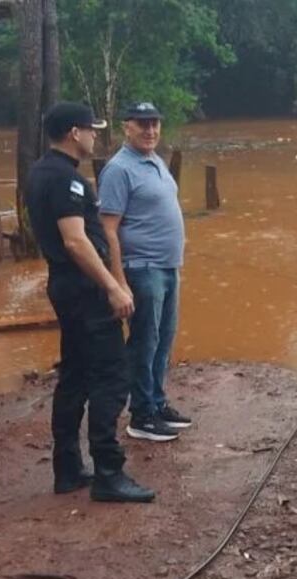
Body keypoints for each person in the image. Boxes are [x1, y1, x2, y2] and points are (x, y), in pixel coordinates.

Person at [26, 102, 155, 502]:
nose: (95, 135)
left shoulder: (40, 172)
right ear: (73, 133)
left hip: (66, 287)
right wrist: (113, 287)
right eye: (91, 129)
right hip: (85, 291)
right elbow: (76, 241)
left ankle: (67, 469)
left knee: (76, 374)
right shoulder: (67, 179)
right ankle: (109, 474)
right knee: (111, 377)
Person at [99, 102, 191, 442]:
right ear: (127, 127)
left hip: (167, 267)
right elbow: (108, 229)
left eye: (154, 124)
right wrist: (118, 281)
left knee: (163, 339)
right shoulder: (118, 169)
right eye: (143, 124)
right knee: (144, 342)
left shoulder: (155, 161)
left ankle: (156, 401)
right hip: (142, 269)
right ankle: (141, 415)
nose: (150, 130)